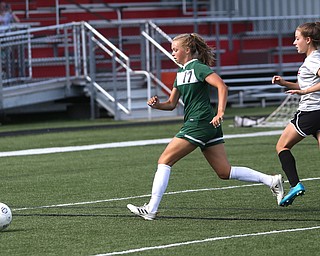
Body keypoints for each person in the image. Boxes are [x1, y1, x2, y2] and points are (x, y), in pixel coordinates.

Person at [127, 33, 284, 220]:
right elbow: (171, 104)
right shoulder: (181, 73)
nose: (173, 54)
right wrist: (156, 104)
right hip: (206, 124)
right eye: (172, 50)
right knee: (224, 172)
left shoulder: (199, 68)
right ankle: (271, 180)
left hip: (200, 122)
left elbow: (222, 87)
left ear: (187, 50)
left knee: (164, 160)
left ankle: (151, 209)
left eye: (175, 50)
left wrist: (220, 112)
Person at [272, 21, 320, 207]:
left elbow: (308, 89)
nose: (294, 42)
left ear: (308, 40)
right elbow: (307, 84)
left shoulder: (313, 59)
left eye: (297, 38)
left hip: (311, 112)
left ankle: (295, 185)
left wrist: (305, 93)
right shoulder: (314, 58)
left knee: (282, 146)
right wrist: (285, 83)